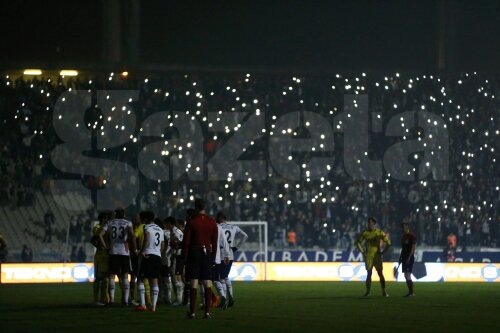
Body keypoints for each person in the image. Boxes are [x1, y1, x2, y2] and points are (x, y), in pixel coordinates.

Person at [182, 198, 218, 319]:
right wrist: (213, 257)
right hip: (207, 253)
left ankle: (192, 312)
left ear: (196, 208)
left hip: (194, 252)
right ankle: (207, 312)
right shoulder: (212, 222)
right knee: (207, 282)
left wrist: (184, 257)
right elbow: (215, 241)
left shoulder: (191, 221)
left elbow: (186, 241)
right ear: (205, 207)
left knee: (194, 282)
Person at [99, 208, 136, 305]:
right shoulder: (128, 223)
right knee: (125, 276)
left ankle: (111, 300)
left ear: (115, 214)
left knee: (111, 276)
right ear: (124, 214)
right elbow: (133, 235)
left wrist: (105, 247)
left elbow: (100, 235)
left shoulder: (110, 223)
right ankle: (125, 300)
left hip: (113, 251)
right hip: (124, 252)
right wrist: (127, 242)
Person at [215, 211, 248, 307]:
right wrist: (236, 247)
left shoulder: (218, 226)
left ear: (219, 218)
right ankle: (231, 297)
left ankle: (223, 300)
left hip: (220, 253)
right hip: (230, 253)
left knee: (220, 278)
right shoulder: (234, 227)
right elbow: (245, 236)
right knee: (225, 276)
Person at [135, 211, 164, 312]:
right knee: (154, 280)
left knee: (141, 280)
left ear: (146, 219)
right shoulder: (160, 229)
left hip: (148, 255)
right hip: (157, 256)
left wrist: (142, 251)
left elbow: (146, 238)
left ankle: (143, 305)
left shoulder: (147, 227)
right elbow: (162, 245)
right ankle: (154, 307)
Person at [356, 217, 391, 297]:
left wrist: (383, 251)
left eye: (371, 223)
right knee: (369, 274)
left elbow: (388, 242)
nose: (369, 224)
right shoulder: (365, 233)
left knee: (380, 273)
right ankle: (368, 292)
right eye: (368, 223)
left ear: (374, 224)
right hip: (368, 256)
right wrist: (362, 252)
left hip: (377, 256)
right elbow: (358, 242)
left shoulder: (379, 233)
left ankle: (384, 291)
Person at [91, 212, 110, 305]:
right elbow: (94, 239)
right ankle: (96, 300)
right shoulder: (97, 227)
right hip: (99, 256)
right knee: (98, 278)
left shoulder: (107, 228)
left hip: (106, 255)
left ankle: (105, 299)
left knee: (105, 278)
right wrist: (99, 246)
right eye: (106, 218)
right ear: (103, 219)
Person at [171, 218, 185, 306]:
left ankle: (180, 300)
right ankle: (182, 299)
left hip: (178, 255)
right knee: (180, 277)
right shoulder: (181, 232)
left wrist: (174, 244)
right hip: (181, 255)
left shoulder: (176, 232)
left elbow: (177, 242)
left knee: (177, 276)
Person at [400, 221, 416, 297]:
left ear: (407, 227)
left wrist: (409, 257)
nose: (402, 228)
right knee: (406, 275)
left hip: (409, 258)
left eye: (403, 227)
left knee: (407, 275)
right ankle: (410, 292)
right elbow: (403, 249)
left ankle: (411, 293)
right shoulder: (403, 237)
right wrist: (400, 258)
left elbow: (413, 248)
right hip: (404, 258)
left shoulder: (411, 236)